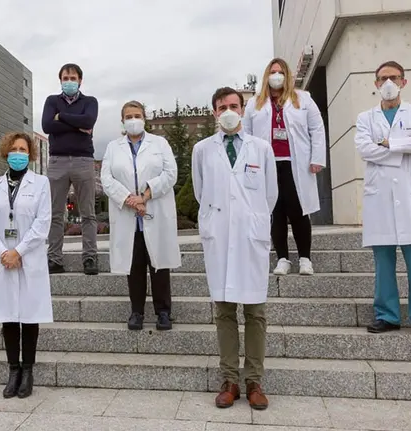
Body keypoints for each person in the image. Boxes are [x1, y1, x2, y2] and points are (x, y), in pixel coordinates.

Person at [192, 87, 278, 410]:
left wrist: (250, 219)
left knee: (255, 311)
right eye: (221, 106)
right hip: (220, 237)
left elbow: (270, 195)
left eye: (233, 105)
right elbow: (202, 194)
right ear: (214, 112)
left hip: (250, 237)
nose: (227, 110)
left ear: (242, 109)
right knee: (224, 310)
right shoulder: (202, 150)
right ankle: (230, 380)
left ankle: (254, 380)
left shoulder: (262, 148)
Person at [355, 60, 411, 337]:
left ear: (404, 81)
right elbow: (365, 150)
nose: (388, 83)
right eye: (383, 78)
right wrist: (404, 145)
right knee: (383, 261)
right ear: (376, 84)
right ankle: (387, 315)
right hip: (380, 196)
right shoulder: (365, 118)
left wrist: (388, 143)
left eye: (393, 77)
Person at [0, 132, 53, 399]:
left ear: (30, 154)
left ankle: (29, 371)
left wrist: (18, 251)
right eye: (14, 149)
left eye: (23, 149)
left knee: (29, 316)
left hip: (29, 258)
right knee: (9, 316)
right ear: (5, 153)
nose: (18, 153)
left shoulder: (41, 183)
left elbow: (42, 223)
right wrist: (4, 252)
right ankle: (13, 370)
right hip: (3, 261)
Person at [101, 100, 180, 331]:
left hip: (154, 211)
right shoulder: (113, 147)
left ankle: (163, 312)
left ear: (144, 118)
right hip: (128, 217)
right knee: (134, 267)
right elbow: (106, 179)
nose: (133, 119)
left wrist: (145, 195)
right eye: (128, 116)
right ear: (122, 120)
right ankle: (137, 312)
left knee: (159, 265)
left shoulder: (160, 143)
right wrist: (129, 199)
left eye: (137, 115)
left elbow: (170, 173)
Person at [243, 58, 326, 276]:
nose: (276, 76)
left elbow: (316, 128)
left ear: (287, 75)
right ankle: (282, 258)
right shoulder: (255, 103)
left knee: (299, 211)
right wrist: (249, 165)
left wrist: (317, 158)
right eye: (272, 72)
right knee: (275, 211)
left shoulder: (303, 98)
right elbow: (246, 136)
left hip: (295, 163)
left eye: (280, 72)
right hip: (267, 165)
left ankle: (305, 258)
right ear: (266, 76)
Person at [41, 63, 99, 275]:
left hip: (84, 160)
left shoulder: (90, 102)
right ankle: (54, 258)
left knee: (88, 213)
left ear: (80, 80)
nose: (69, 81)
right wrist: (78, 125)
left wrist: (61, 116)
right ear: (60, 80)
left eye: (73, 78)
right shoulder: (51, 101)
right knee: (55, 213)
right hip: (57, 161)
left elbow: (89, 120)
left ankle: (90, 257)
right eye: (65, 78)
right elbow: (47, 125)